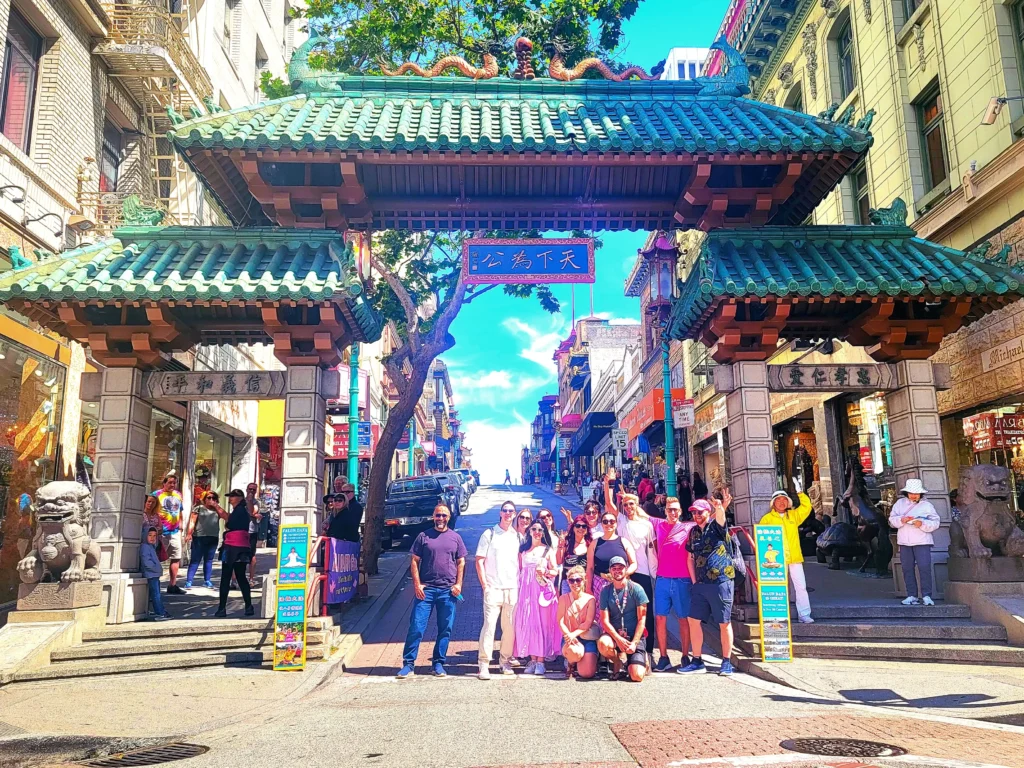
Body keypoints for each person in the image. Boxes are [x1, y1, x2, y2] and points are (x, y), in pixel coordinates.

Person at [398, 504, 467, 678]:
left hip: (448, 591)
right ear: (433, 516)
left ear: (449, 517)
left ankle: (438, 664)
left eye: (444, 515)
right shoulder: (423, 536)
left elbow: (461, 562)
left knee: (445, 629)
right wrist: (417, 584)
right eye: (438, 515)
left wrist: (458, 584)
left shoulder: (455, 538)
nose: (441, 518)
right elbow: (414, 560)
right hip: (426, 590)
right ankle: (408, 664)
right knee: (417, 627)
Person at [680, 494, 736, 676]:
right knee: (693, 620)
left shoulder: (716, 526)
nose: (696, 515)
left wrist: (720, 507)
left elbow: (721, 519)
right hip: (701, 584)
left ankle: (727, 661)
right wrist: (694, 580)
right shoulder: (693, 532)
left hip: (721, 581)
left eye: (700, 511)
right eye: (694, 512)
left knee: (724, 622)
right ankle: (697, 661)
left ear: (708, 511)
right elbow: (690, 557)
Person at [604, 473, 658, 647]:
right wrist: (608, 485)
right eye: (625, 504)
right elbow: (609, 504)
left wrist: (654, 573)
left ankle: (647, 649)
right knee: (621, 612)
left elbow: (652, 549)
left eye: (631, 504)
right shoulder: (621, 521)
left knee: (645, 613)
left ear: (637, 505)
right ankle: (622, 649)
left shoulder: (647, 525)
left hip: (642, 572)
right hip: (623, 573)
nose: (628, 507)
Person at [758, 482, 815, 624]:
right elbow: (762, 541)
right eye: (778, 500)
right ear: (773, 503)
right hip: (776, 561)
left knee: (801, 587)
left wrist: (800, 493)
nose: (781, 502)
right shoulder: (767, 520)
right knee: (778, 587)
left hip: (794, 557)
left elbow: (807, 507)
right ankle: (777, 615)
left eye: (784, 500)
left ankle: (804, 614)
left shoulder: (793, 516)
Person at [477, 501, 522, 679]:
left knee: (509, 628)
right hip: (493, 588)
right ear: (500, 513)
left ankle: (504, 661)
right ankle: (484, 664)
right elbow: (479, 560)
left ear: (514, 514)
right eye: (505, 510)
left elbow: (520, 561)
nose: (508, 514)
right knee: (489, 626)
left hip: (512, 587)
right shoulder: (489, 534)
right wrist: (485, 585)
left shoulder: (517, 536)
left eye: (511, 511)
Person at [651, 496, 695, 672]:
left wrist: (720, 507)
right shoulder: (658, 524)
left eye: (676, 509)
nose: (673, 512)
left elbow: (710, 518)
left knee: (683, 618)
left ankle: (685, 655)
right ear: (665, 510)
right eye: (670, 509)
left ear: (681, 511)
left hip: (682, 579)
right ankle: (663, 656)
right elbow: (637, 514)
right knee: (660, 618)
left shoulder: (688, 527)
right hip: (662, 577)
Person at [513, 520, 560, 675]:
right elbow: (519, 571)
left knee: (543, 625)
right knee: (529, 624)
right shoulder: (523, 551)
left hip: (541, 592)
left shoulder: (547, 550)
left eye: (540, 530)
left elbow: (555, 571)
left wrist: (546, 572)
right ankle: (533, 659)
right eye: (534, 529)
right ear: (530, 531)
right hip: (526, 592)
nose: (537, 532)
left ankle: (541, 661)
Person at [889, 479, 940, 606]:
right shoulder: (899, 504)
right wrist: (902, 520)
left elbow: (935, 522)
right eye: (911, 493)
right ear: (907, 493)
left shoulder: (927, 505)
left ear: (921, 494)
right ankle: (912, 595)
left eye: (916, 493)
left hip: (922, 541)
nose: (914, 495)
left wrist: (922, 524)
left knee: (924, 567)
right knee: (907, 568)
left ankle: (927, 595)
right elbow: (891, 520)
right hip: (905, 542)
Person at [597, 556, 649, 682]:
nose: (617, 571)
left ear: (626, 569)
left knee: (636, 676)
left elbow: (642, 619)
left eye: (621, 568)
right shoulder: (605, 591)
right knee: (603, 644)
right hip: (616, 636)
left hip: (633, 637)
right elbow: (604, 621)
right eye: (614, 568)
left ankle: (641, 658)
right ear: (610, 571)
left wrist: (635, 643)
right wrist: (617, 638)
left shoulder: (637, 589)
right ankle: (618, 661)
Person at [215, 489, 255, 618]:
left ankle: (222, 608)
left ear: (239, 498)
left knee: (226, 577)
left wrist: (228, 527)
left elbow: (231, 524)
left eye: (232, 496)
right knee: (241, 576)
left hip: (233, 546)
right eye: (230, 496)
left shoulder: (240, 510)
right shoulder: (241, 510)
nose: (230, 498)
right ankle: (248, 606)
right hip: (241, 547)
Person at [586, 508, 637, 603]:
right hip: (600, 583)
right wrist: (588, 589)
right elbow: (590, 568)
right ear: (601, 524)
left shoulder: (624, 542)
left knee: (622, 614)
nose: (608, 524)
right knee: (602, 616)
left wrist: (622, 574)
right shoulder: (594, 543)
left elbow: (634, 564)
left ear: (616, 524)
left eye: (612, 521)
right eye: (605, 521)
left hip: (621, 581)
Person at [557, 565, 599, 679]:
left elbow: (588, 622)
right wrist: (568, 636)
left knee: (587, 673)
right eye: (571, 580)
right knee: (574, 652)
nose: (575, 583)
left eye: (578, 580)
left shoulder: (590, 599)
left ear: (584, 580)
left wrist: (573, 634)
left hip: (586, 637)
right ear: (568, 582)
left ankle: (589, 660)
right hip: (569, 638)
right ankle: (572, 662)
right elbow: (560, 621)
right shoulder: (563, 598)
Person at [152, 473, 185, 594]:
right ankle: (154, 585)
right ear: (164, 483)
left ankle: (173, 584)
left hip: (175, 531)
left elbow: (180, 511)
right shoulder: (156, 494)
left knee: (176, 557)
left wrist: (181, 526)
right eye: (170, 482)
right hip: (162, 531)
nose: (172, 485)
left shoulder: (178, 495)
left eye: (174, 483)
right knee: (156, 558)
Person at [185, 491, 222, 589]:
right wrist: (189, 533)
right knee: (195, 560)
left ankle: (207, 580)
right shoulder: (199, 508)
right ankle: (189, 581)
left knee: (209, 560)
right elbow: (192, 521)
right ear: (204, 499)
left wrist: (217, 506)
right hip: (199, 537)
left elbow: (226, 517)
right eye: (208, 498)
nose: (211, 500)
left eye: (214, 498)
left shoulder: (217, 509)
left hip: (213, 537)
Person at [141, 527, 170, 621]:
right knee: (156, 594)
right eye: (150, 535)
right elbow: (146, 562)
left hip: (154, 574)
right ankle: (160, 612)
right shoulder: (145, 547)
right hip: (151, 574)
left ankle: (158, 611)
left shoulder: (151, 547)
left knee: (155, 594)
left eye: (154, 536)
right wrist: (155, 568)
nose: (152, 538)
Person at [558, 514, 592, 594]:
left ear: (587, 530)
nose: (581, 528)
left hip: (583, 583)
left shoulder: (590, 544)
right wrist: (560, 546)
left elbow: (591, 568)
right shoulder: (567, 543)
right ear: (573, 528)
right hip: (567, 583)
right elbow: (559, 561)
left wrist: (588, 586)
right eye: (578, 526)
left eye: (584, 526)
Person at [245, 483, 262, 586]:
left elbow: (252, 512)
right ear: (247, 489)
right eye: (250, 489)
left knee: (251, 555)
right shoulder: (241, 501)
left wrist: (250, 501)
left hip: (252, 531)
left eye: (253, 490)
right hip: (241, 531)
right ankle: (234, 580)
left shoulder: (256, 502)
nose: (251, 491)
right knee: (237, 556)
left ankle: (251, 579)